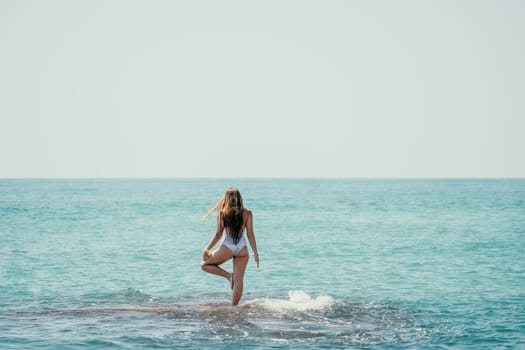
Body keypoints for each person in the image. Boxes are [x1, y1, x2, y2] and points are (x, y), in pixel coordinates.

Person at [201, 188, 259, 306]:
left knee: (204, 265)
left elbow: (218, 234)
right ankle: (234, 307)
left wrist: (207, 249)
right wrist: (255, 254)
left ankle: (228, 276)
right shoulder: (247, 213)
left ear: (226, 198)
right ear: (239, 198)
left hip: (227, 247)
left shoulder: (222, 212)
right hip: (242, 249)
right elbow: (250, 235)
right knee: (239, 280)